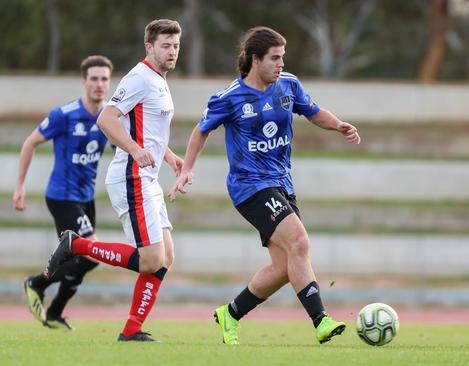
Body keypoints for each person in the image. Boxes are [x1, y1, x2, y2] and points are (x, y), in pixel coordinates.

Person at [168, 26, 360, 345]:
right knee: (299, 242)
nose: (281, 64)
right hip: (250, 187)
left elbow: (313, 112)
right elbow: (201, 131)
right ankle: (320, 320)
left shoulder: (288, 85)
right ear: (255, 60)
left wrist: (338, 125)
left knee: (285, 267)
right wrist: (187, 168)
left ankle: (231, 314)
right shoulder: (230, 97)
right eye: (274, 58)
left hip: (282, 182)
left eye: (282, 58)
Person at [44, 19, 184, 342]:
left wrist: (168, 155)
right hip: (131, 176)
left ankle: (132, 330)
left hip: (148, 177)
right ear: (149, 47)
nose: (172, 51)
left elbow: (147, 130)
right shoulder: (139, 78)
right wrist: (135, 150)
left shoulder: (160, 80)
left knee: (165, 257)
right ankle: (75, 245)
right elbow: (107, 119)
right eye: (165, 45)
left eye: (176, 45)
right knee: (150, 259)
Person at [17, 55, 113, 330]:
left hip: (86, 198)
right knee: (92, 255)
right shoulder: (65, 115)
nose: (99, 84)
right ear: (84, 81)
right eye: (93, 78)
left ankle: (56, 312)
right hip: (62, 197)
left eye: (104, 79)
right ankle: (36, 283)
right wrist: (21, 186)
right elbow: (29, 143)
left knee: (78, 261)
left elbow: (123, 147)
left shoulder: (109, 117)